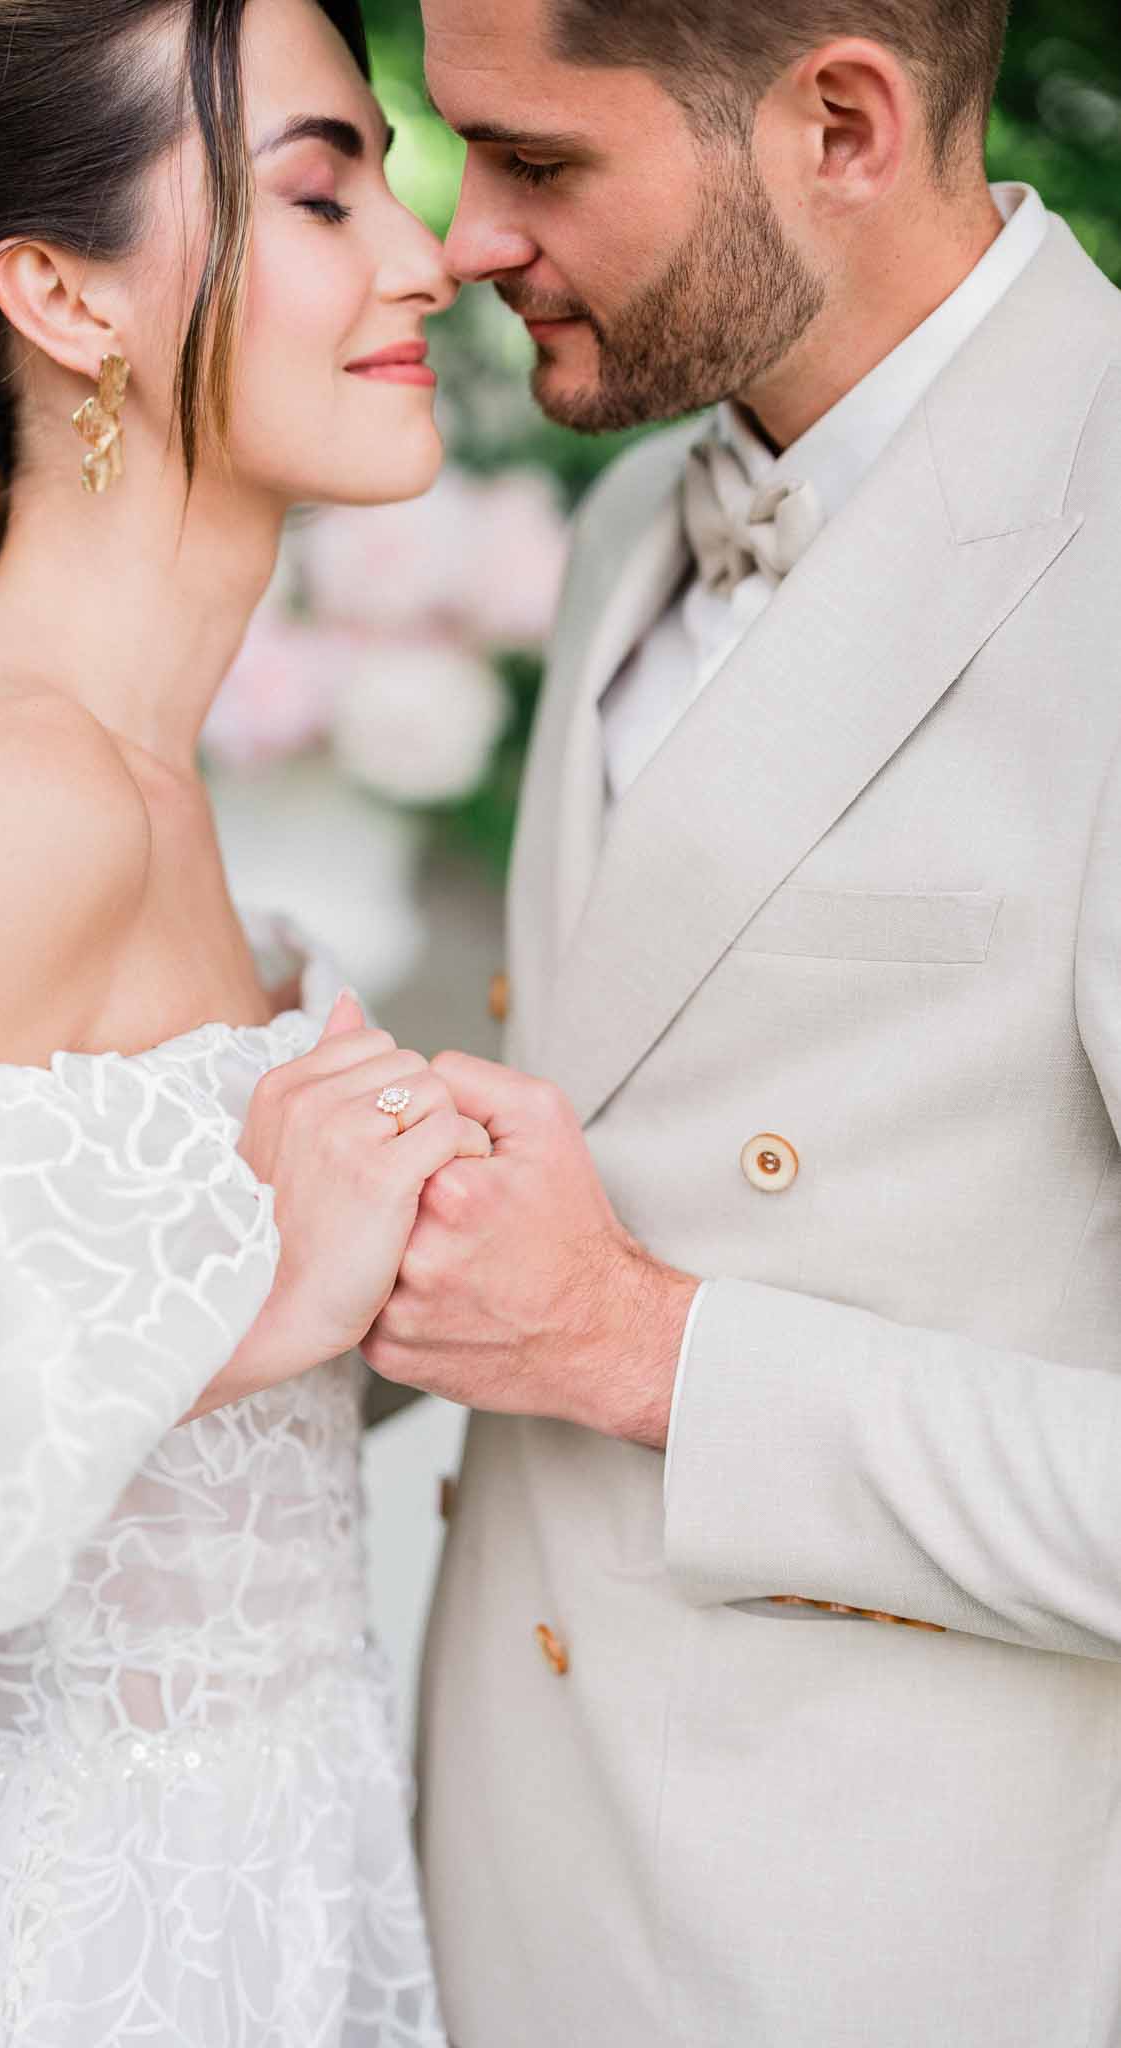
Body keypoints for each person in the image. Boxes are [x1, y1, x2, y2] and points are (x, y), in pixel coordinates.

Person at [359, 2, 1121, 2044]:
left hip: (885, 1959)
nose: (459, 242)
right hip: (505, 1898)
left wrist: (638, 1346)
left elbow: (605, 1301)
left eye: (540, 165)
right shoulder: (630, 527)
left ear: (842, 123)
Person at [0, 0, 487, 2037]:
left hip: (260, 1886)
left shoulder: (144, 781)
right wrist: (263, 1298)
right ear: (63, 293)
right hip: (45, 1945)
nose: (422, 258)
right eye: (325, 192)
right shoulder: (17, 792)